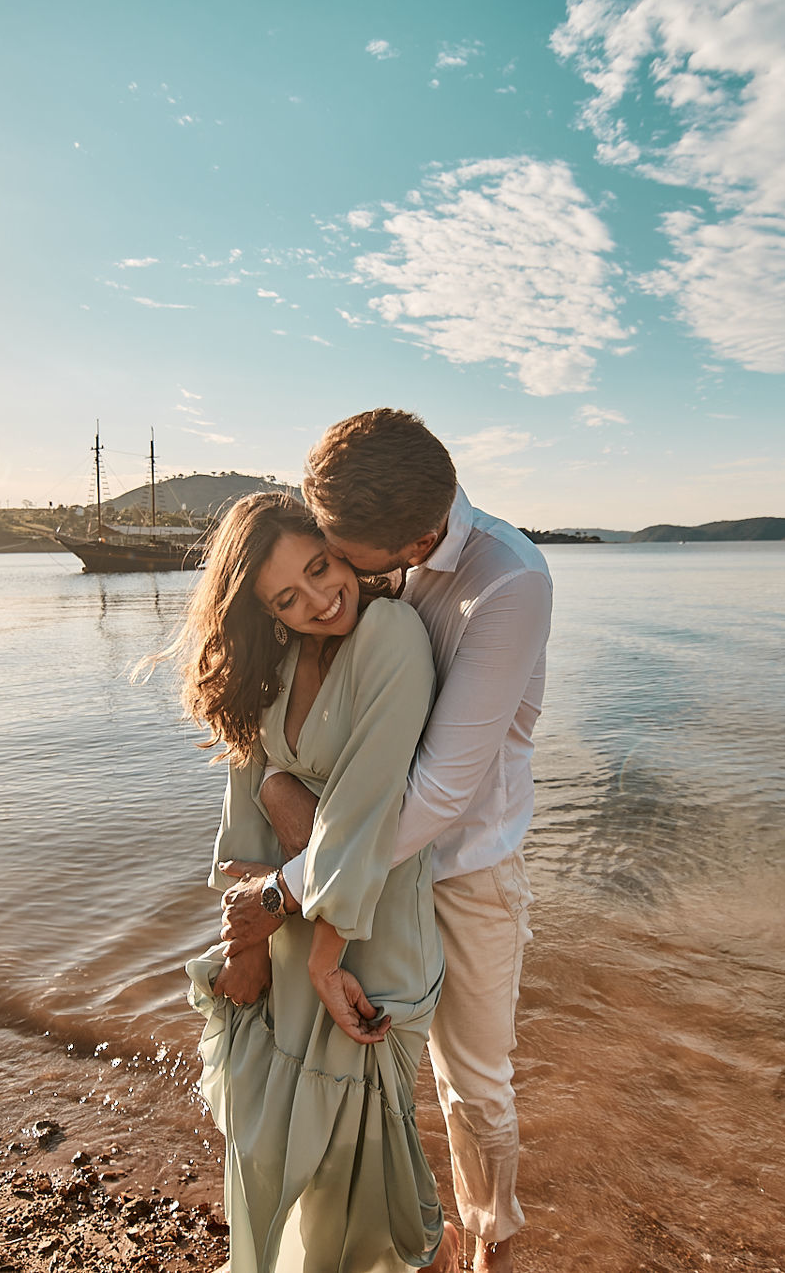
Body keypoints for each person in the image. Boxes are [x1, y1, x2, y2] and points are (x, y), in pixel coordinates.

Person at [219, 409, 551, 1273]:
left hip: (461, 868)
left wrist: (286, 890)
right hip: (354, 868)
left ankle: (493, 1246)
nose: (331, 582)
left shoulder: (506, 582)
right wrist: (283, 794)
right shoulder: (367, 579)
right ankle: (400, 1238)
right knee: (365, 1074)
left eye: (336, 558)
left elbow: (441, 790)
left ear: (404, 542)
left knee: (474, 1083)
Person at [170, 491, 459, 1273]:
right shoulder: (284, 654)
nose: (319, 601)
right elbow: (248, 778)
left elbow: (368, 811)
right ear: (264, 612)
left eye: (321, 568)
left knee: (370, 1179)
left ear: (341, 547)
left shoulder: (391, 635)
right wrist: (250, 945)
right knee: (277, 1149)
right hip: (286, 928)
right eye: (286, 598)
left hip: (367, 937)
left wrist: (325, 956)